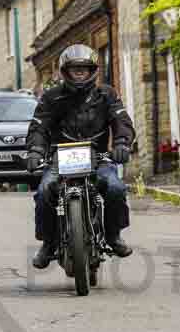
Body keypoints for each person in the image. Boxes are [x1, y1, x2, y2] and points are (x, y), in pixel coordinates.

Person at [26, 44, 135, 269]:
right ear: (65, 71)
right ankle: (48, 243)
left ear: (92, 71)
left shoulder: (107, 95)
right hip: (59, 159)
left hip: (99, 157)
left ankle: (113, 235)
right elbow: (38, 126)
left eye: (83, 69)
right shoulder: (51, 97)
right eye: (74, 69)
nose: (79, 73)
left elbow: (121, 121)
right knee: (44, 192)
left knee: (116, 188)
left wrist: (122, 143)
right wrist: (35, 151)